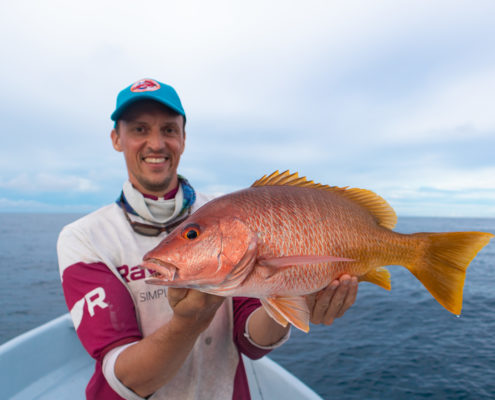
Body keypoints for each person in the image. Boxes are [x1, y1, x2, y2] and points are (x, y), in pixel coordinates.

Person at [57, 78, 359, 400]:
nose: (156, 144)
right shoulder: (84, 238)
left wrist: (293, 297)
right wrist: (189, 321)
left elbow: (249, 341)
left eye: (169, 130)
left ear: (184, 138)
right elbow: (125, 376)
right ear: (117, 139)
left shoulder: (229, 216)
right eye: (140, 129)